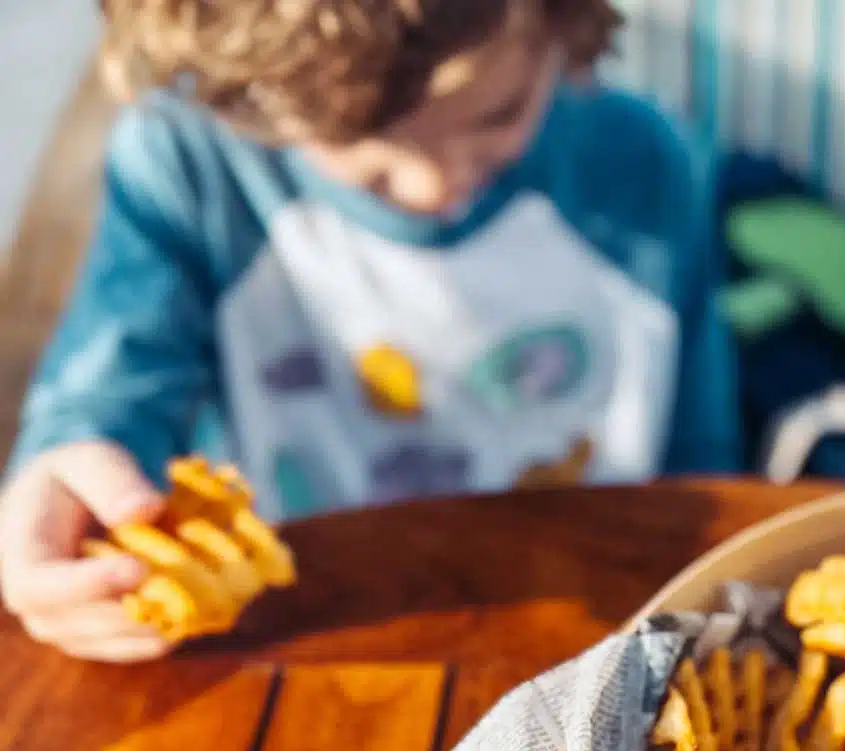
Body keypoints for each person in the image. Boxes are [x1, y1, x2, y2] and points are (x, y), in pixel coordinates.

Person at [0, 0, 738, 662]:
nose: (432, 189)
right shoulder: (193, 163)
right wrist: (63, 476)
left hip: (592, 626)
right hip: (310, 633)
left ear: (563, 24)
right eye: (369, 160)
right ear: (263, 100)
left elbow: (704, 465)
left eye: (497, 116)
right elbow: (106, 388)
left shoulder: (646, 166)